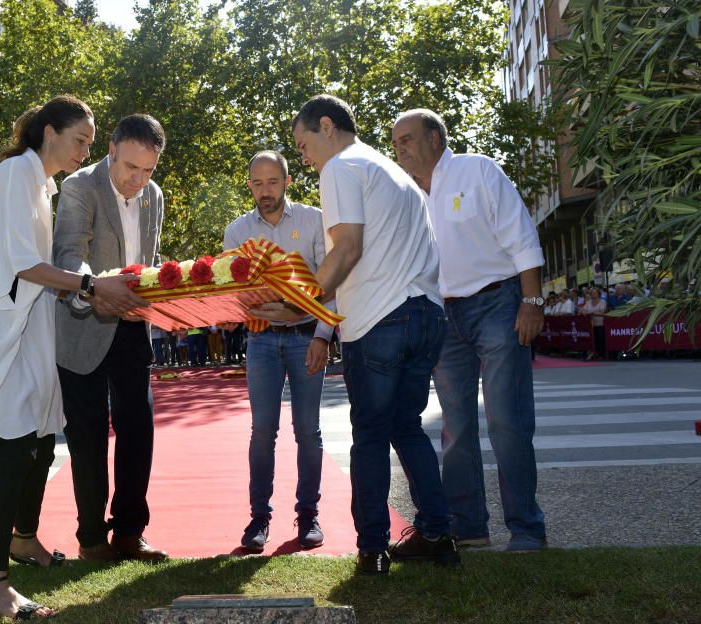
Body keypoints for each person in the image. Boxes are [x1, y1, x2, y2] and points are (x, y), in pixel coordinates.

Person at [0, 97, 145, 621]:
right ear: (49, 131)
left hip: (32, 330)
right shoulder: (15, 173)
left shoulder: (42, 184)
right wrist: (89, 284)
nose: (86, 150)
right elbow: (25, 264)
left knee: (40, 443)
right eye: (80, 139)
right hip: (1, 331)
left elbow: (43, 274)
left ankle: (23, 540)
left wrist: (88, 291)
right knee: (14, 450)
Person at [261, 94, 457, 575]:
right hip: (426, 315)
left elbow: (346, 251)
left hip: (380, 321)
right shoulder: (391, 171)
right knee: (407, 429)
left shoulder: (341, 168)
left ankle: (373, 549)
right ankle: (437, 533)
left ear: (327, 127)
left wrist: (296, 304)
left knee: (369, 436)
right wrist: (324, 326)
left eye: (303, 144)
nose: (304, 159)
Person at [392, 108, 547, 552]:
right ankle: (469, 527)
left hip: (498, 304)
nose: (400, 148)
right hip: (445, 317)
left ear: (436, 139)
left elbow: (522, 237)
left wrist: (531, 301)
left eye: (408, 138)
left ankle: (527, 529)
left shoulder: (477, 170)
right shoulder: (407, 197)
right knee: (455, 429)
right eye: (395, 141)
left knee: (506, 421)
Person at [53, 114, 166, 562]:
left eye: (149, 170)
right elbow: (69, 256)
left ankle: (129, 533)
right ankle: (92, 540)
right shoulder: (80, 187)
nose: (139, 180)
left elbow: (148, 261)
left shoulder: (153, 196)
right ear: (112, 149)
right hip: (83, 325)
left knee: (138, 432)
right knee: (89, 437)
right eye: (130, 167)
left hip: (134, 327)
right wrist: (92, 291)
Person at [223, 149, 332, 552]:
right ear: (249, 185)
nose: (265, 190)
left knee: (308, 431)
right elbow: (232, 292)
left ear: (287, 181)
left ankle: (308, 516)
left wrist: (323, 335)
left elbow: (331, 284)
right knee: (262, 431)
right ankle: (258, 519)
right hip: (262, 340)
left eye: (273, 181)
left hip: (307, 337)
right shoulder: (237, 233)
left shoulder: (315, 221)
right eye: (257, 183)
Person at [579, 286, 608, 359]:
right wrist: (583, 311)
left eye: (595, 293)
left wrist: (592, 313)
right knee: (592, 340)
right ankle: (593, 353)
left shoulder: (602, 302)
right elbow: (582, 310)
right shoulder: (588, 302)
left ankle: (601, 354)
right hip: (590, 325)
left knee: (600, 339)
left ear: (598, 294)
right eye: (592, 293)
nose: (594, 294)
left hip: (600, 324)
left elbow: (602, 312)